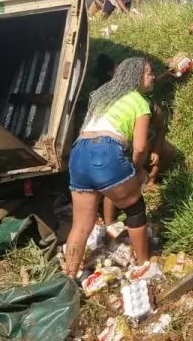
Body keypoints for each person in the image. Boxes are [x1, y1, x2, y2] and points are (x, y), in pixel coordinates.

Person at [62, 57, 154, 277]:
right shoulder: (139, 101)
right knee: (134, 207)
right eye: (148, 73)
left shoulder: (102, 94)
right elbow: (140, 147)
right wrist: (137, 169)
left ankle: (69, 275)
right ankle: (144, 265)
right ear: (135, 77)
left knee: (81, 225)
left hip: (79, 154)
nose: (152, 77)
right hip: (105, 153)